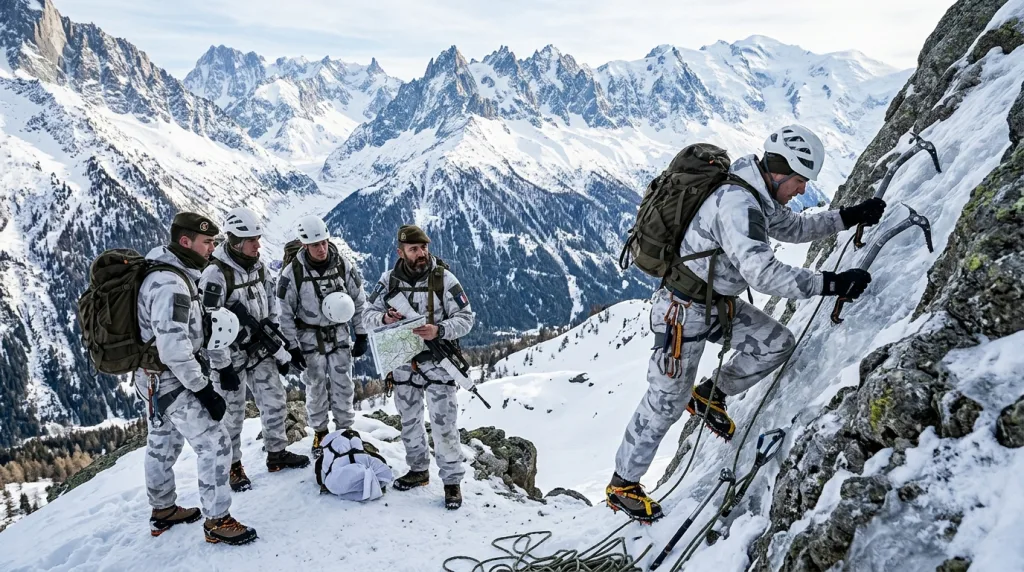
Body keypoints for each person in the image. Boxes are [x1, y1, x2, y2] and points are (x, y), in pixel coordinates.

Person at [606, 125, 886, 522]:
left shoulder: (756, 192)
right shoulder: (738, 204)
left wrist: (848, 217)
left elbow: (793, 227)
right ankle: (623, 484)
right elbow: (764, 274)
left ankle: (710, 394)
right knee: (665, 401)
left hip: (715, 304)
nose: (803, 189)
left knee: (777, 343)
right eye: (800, 180)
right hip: (682, 312)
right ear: (780, 172)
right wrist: (832, 283)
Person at [136, 212, 257, 545]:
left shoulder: (169, 272)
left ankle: (163, 509)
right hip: (172, 380)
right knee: (216, 443)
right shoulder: (171, 285)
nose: (212, 248)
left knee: (163, 443)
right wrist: (204, 391)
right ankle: (217, 520)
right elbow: (174, 350)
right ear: (185, 241)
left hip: (153, 379)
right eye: (207, 242)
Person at [362, 225, 475, 510]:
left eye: (424, 247)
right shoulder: (388, 281)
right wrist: (384, 319)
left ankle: (452, 482)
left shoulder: (443, 279)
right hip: (402, 362)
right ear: (400, 252)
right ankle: (418, 470)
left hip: (438, 362)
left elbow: (466, 318)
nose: (421, 253)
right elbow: (366, 315)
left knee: (444, 424)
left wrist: (439, 330)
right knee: (409, 420)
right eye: (414, 249)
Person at [199, 207, 309, 493]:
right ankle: (233, 466)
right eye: (251, 240)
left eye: (258, 239)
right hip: (230, 355)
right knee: (231, 414)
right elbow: (209, 326)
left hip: (261, 350)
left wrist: (279, 345)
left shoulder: (259, 267)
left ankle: (277, 453)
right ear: (235, 241)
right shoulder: (215, 274)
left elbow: (271, 308)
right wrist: (222, 367)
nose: (258, 245)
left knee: (275, 401)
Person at [277, 215, 367, 457]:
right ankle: (320, 432)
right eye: (315, 245)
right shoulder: (292, 273)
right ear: (305, 245)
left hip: (339, 334)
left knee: (343, 384)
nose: (322, 249)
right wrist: (292, 347)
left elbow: (358, 299)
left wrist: (361, 333)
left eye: (324, 242)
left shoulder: (342, 265)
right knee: (315, 386)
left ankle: (345, 429)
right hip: (309, 337)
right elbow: (284, 312)